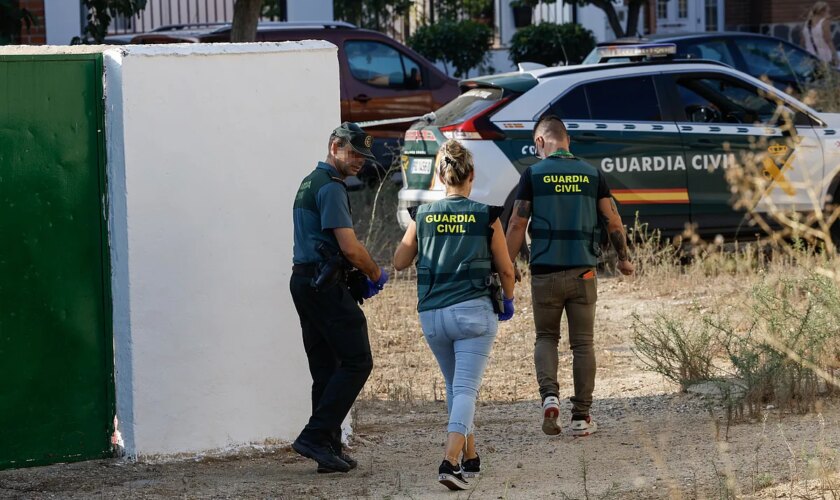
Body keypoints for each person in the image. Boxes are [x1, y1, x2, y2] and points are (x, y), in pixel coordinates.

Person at [393, 139, 516, 490]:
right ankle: (449, 463)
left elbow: (400, 261)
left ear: (439, 175)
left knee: (455, 388)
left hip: (433, 315)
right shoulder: (485, 215)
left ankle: (470, 456)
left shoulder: (423, 215)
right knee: (465, 389)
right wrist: (508, 300)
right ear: (471, 175)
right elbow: (506, 269)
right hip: (474, 314)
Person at [505, 115, 634, 438]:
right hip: (584, 272)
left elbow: (517, 224)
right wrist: (624, 258)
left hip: (545, 273)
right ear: (567, 142)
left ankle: (550, 398)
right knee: (583, 344)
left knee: (546, 337)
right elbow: (613, 222)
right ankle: (581, 416)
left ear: (540, 142)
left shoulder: (533, 174)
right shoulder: (592, 174)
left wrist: (508, 265)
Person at [290, 122, 389, 473]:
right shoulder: (331, 187)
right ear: (335, 146)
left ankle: (327, 448)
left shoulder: (308, 182)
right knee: (358, 361)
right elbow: (349, 246)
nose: (360, 161)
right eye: (354, 153)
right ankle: (316, 436)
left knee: (327, 369)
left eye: (364, 156)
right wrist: (375, 273)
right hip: (325, 284)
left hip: (304, 281)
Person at [802, 2, 839, 68]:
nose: (829, 13)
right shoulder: (824, 22)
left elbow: (803, 41)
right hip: (825, 57)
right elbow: (828, 40)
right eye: (827, 11)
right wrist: (835, 56)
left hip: (810, 56)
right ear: (822, 11)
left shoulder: (807, 23)